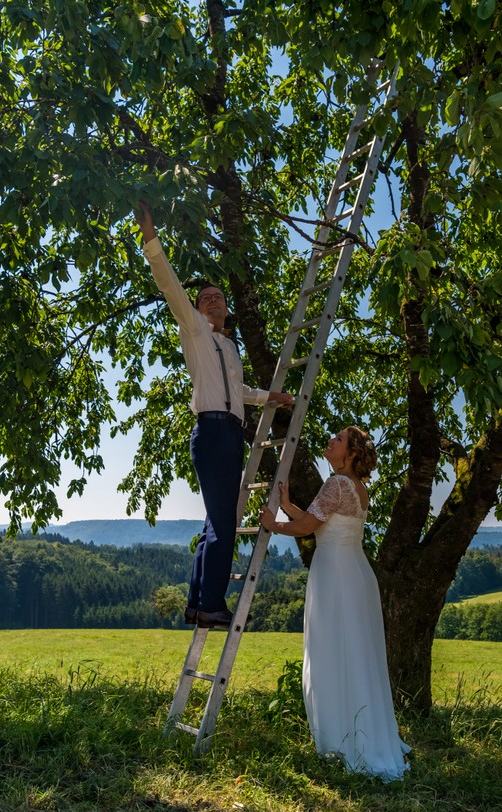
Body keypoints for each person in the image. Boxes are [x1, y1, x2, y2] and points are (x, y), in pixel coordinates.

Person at [136, 202, 293, 629]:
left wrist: (271, 397)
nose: (212, 300)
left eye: (218, 297)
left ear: (226, 308)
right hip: (210, 431)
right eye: (205, 297)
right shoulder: (195, 331)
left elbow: (238, 392)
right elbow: (170, 286)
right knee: (224, 521)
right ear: (198, 308)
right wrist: (151, 239)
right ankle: (212, 604)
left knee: (213, 521)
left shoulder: (230, 346)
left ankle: (196, 603)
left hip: (231, 433)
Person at [259, 426, 410, 781]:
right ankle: (359, 733)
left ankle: (344, 738)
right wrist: (288, 506)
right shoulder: (356, 487)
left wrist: (273, 524)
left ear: (352, 453)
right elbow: (320, 522)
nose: (330, 440)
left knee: (333, 652)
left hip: (337, 577)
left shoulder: (337, 484)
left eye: (339, 439)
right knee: (355, 654)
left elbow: (307, 528)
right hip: (354, 573)